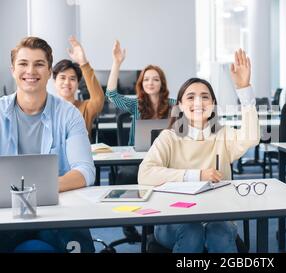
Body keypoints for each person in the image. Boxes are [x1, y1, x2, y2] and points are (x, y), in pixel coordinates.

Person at [138, 49, 259, 253]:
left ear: (212, 105)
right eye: (191, 97)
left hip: (216, 215)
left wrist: (244, 90)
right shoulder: (169, 137)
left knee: (220, 232)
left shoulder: (223, 135)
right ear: (181, 106)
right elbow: (146, 173)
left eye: (205, 97)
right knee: (191, 230)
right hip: (173, 219)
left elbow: (252, 137)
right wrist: (197, 175)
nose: (198, 103)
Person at [0, 37, 95, 252]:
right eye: (23, 64)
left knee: (77, 245)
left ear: (49, 70)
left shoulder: (69, 114)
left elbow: (85, 171)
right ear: (13, 70)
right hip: (4, 212)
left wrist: (36, 191)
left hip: (57, 210)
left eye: (39, 64)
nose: (30, 71)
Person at [105, 40, 174, 146]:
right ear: (141, 83)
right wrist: (116, 63)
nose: (150, 83)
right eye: (146, 79)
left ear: (162, 83)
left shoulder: (173, 104)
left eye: (155, 79)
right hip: (138, 157)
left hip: (166, 155)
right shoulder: (136, 104)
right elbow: (112, 95)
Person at [53, 36, 104, 141]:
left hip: (80, 156)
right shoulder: (46, 108)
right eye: (62, 78)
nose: (67, 82)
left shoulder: (85, 108)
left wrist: (83, 62)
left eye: (72, 79)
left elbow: (98, 99)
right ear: (55, 81)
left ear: (77, 84)